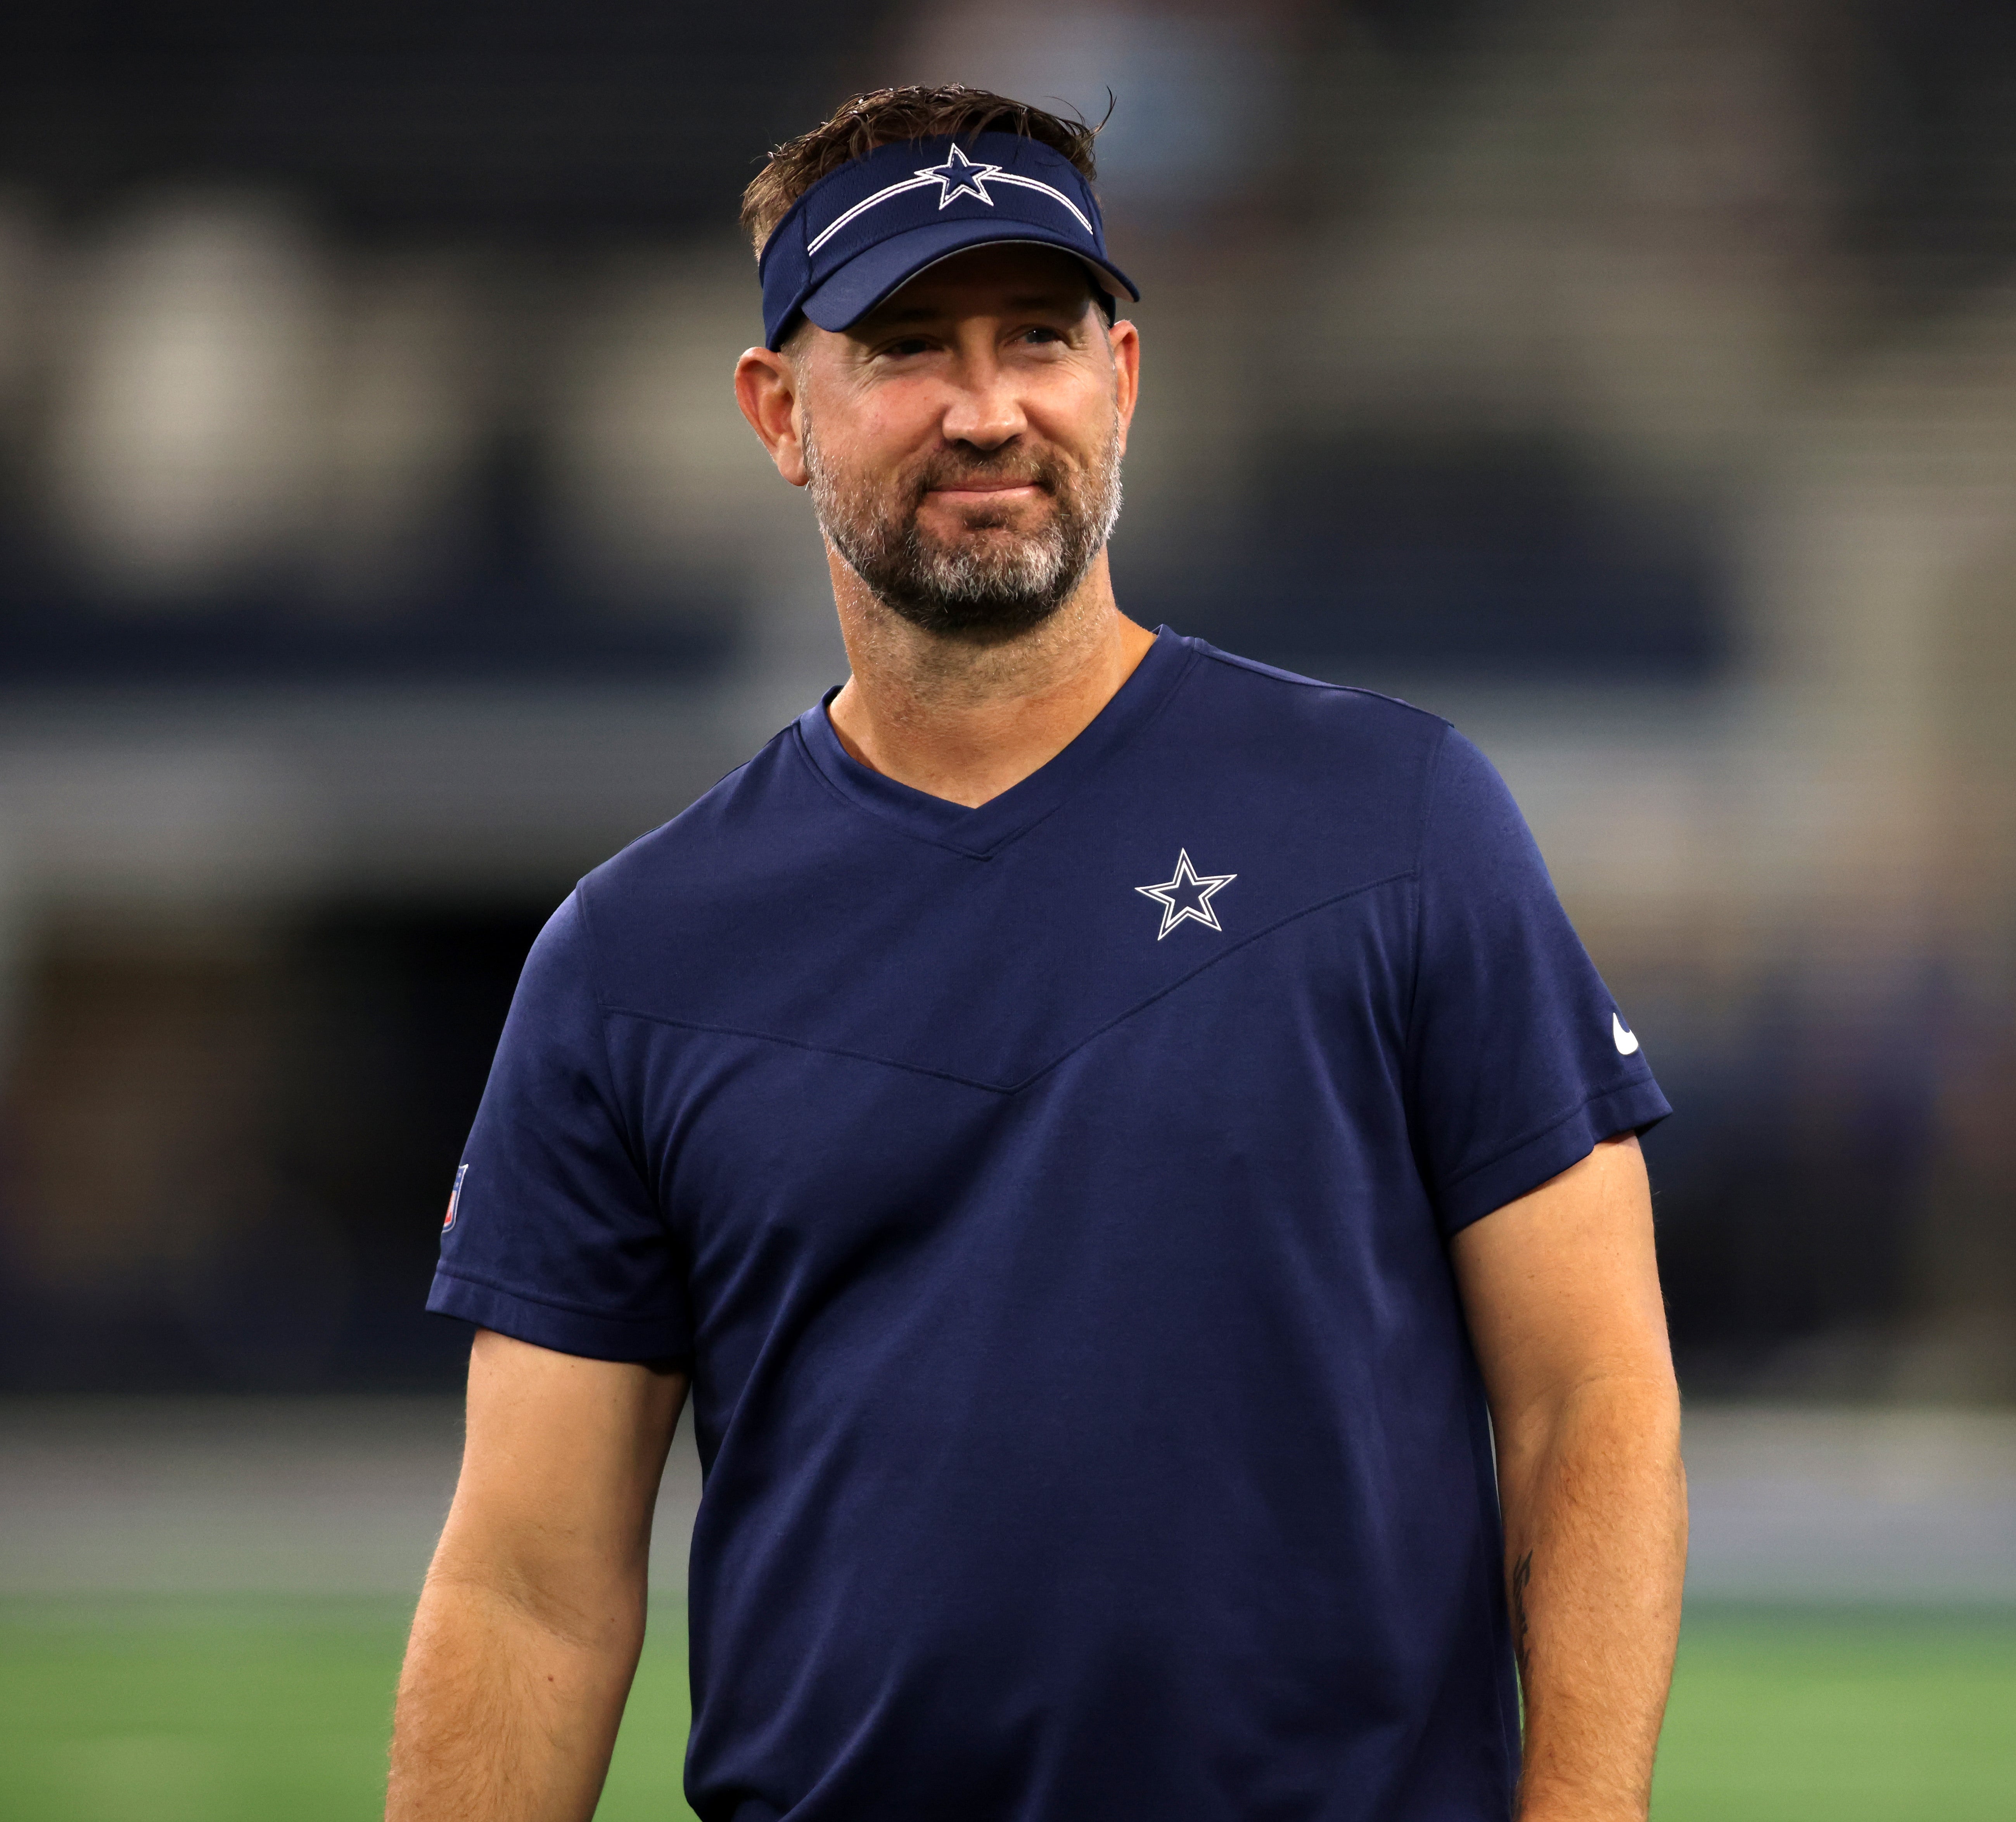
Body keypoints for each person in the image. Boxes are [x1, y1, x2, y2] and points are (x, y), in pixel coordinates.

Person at [385, 85, 1684, 1822]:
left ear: (1122, 376)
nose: (987, 409)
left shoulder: (1400, 819)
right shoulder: (635, 952)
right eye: (908, 345)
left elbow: (1589, 1406)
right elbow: (530, 1582)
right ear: (781, 409)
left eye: (1039, 339)